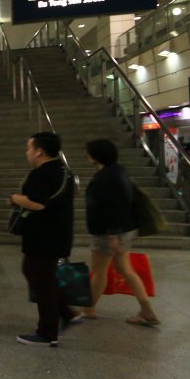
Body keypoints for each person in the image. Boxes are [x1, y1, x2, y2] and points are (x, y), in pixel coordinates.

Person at [8, 132, 78, 347]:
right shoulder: (64, 171)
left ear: (39, 150)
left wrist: (15, 199)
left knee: (41, 280)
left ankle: (47, 332)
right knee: (37, 273)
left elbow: (38, 204)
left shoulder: (41, 174)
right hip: (59, 232)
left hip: (43, 236)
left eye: (29, 148)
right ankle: (67, 312)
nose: (27, 152)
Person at [79, 139, 159, 325]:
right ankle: (147, 310)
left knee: (99, 271)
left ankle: (88, 309)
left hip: (109, 232)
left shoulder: (104, 178)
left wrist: (113, 234)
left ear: (95, 156)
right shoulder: (119, 171)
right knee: (126, 270)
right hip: (125, 229)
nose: (87, 156)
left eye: (89, 153)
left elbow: (113, 206)